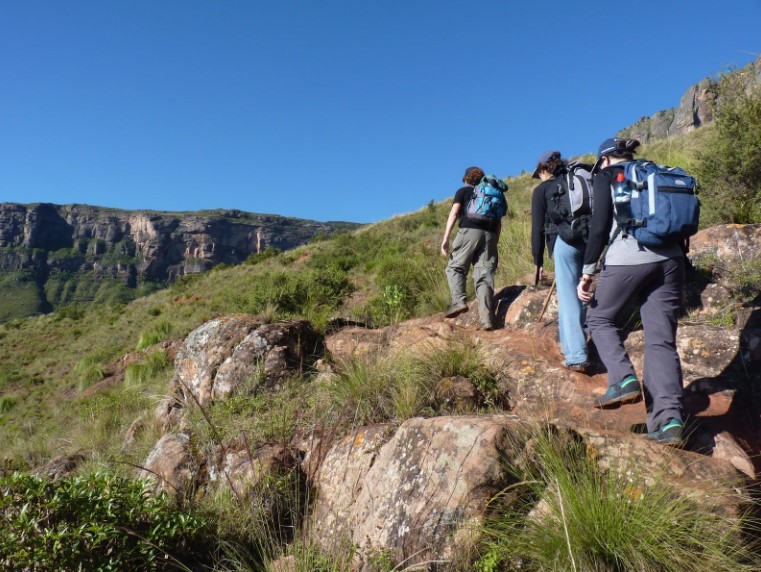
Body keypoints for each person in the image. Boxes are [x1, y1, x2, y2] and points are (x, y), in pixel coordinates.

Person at [578, 137, 686, 445]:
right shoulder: (655, 171)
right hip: (672, 261)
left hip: (628, 259)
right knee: (661, 341)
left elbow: (599, 227)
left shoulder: (606, 176)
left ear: (606, 159)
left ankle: (623, 378)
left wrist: (587, 273)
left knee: (598, 318)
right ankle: (669, 423)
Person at [530, 151, 589, 372]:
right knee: (580, 294)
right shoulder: (574, 182)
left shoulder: (542, 190)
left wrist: (538, 261)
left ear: (544, 170)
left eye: (539, 174)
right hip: (590, 240)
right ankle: (570, 348)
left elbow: (537, 229)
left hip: (564, 243)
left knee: (568, 299)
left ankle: (577, 355)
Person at [441, 166, 506, 331]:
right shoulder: (493, 194)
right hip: (490, 234)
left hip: (469, 231)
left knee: (455, 267)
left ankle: (459, 301)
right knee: (484, 277)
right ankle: (487, 320)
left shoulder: (463, 192)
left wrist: (446, 238)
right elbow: (499, 223)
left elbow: (454, 213)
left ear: (466, 179)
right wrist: (493, 244)